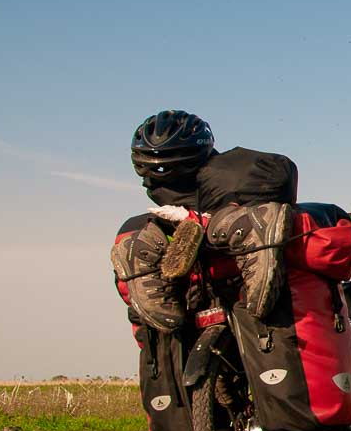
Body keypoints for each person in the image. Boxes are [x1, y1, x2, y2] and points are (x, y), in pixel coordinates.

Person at [111, 110, 295, 332]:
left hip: (198, 293)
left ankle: (145, 253)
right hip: (225, 277)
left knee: (135, 231)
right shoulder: (241, 174)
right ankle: (242, 225)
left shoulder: (222, 179)